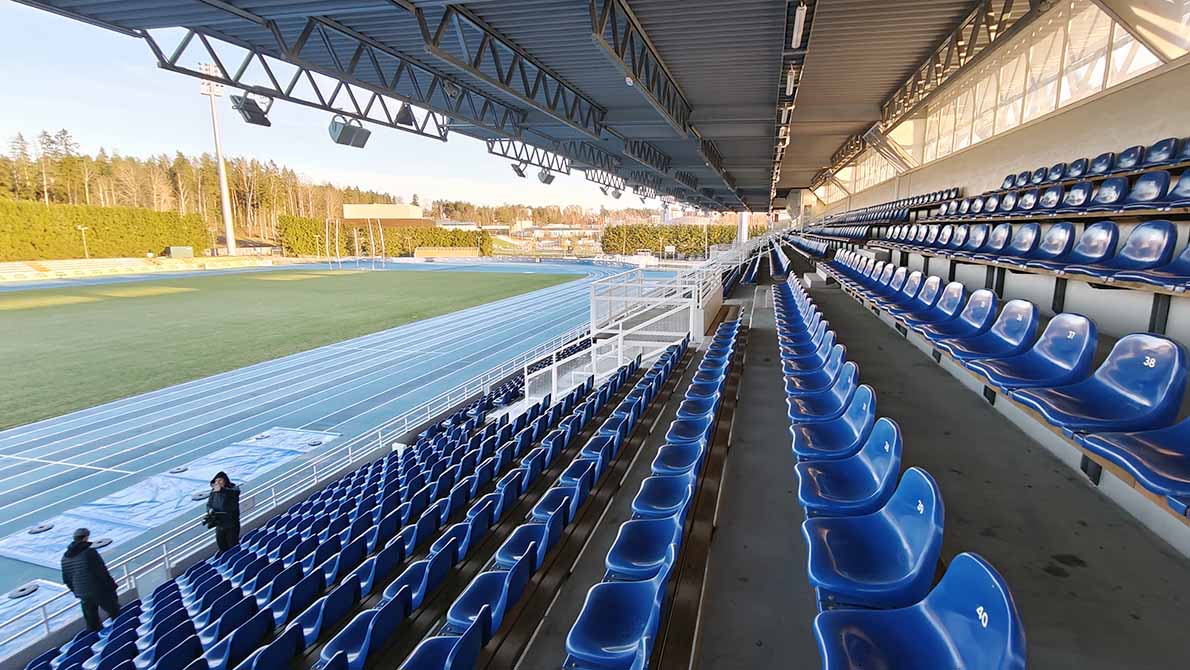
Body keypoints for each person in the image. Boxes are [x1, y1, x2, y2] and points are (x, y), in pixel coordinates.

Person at [60, 528, 121, 632]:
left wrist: (77, 591)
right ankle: (119, 633)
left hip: (82, 593)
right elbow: (101, 571)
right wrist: (112, 586)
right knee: (116, 613)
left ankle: (96, 638)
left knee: (92, 623)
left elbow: (67, 579)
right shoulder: (89, 552)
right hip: (99, 590)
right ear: (86, 538)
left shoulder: (65, 558)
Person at [206, 471, 241, 552]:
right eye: (216, 481)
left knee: (233, 546)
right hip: (219, 524)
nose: (218, 483)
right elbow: (209, 504)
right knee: (222, 546)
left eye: (220, 480)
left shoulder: (233, 490)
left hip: (231, 525)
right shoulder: (213, 492)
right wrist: (210, 510)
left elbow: (234, 492)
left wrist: (221, 490)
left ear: (225, 481)